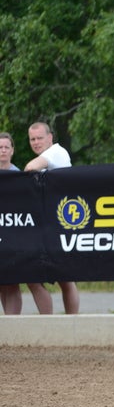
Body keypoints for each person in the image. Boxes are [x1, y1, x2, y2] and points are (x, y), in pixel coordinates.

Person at [24, 122, 80, 314]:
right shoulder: (49, 156)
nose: (36, 142)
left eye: (40, 138)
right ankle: (49, 322)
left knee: (65, 279)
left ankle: (71, 325)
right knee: (33, 276)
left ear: (50, 137)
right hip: (46, 224)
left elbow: (30, 168)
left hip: (60, 224)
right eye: (32, 139)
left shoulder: (57, 152)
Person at [0, 132, 25, 314]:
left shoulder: (18, 176)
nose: (2, 151)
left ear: (12, 150)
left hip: (13, 235)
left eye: (6, 147)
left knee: (12, 282)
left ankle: (14, 323)